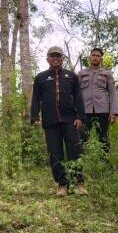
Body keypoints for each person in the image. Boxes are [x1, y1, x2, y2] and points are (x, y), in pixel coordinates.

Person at [31, 46, 87, 196]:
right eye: (52, 56)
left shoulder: (72, 76)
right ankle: (62, 185)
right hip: (50, 122)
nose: (55, 58)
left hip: (70, 120)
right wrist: (35, 116)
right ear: (48, 59)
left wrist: (80, 116)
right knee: (55, 154)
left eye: (58, 56)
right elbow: (36, 98)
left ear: (63, 58)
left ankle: (79, 183)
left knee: (74, 151)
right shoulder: (41, 77)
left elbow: (79, 98)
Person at [78, 47, 118, 153]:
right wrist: (76, 112)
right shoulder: (81, 73)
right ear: (90, 57)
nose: (95, 57)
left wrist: (113, 112)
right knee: (82, 136)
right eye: (93, 55)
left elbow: (113, 93)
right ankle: (81, 161)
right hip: (85, 110)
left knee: (103, 137)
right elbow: (76, 94)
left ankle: (104, 161)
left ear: (101, 58)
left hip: (103, 110)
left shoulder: (107, 73)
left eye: (98, 56)